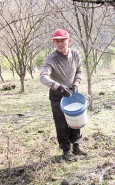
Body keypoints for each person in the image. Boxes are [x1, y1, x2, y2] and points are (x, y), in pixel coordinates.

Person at [40, 29, 87, 161]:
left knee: (76, 119)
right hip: (57, 94)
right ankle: (66, 150)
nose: (60, 43)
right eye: (57, 41)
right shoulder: (51, 58)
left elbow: (79, 70)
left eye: (63, 40)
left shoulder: (75, 54)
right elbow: (43, 77)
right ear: (54, 42)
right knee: (61, 123)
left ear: (69, 41)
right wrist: (58, 86)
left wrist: (76, 83)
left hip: (72, 93)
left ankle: (76, 146)